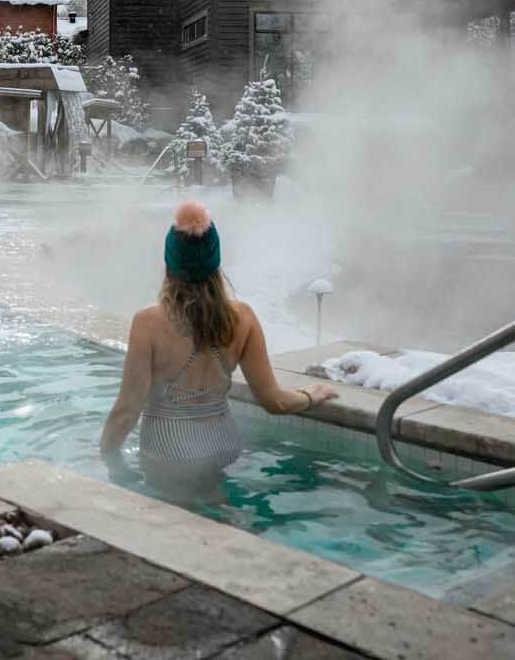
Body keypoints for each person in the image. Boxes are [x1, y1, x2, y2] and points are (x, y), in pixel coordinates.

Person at [99, 199, 338, 496]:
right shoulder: (243, 318)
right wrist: (310, 396)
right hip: (223, 444)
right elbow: (273, 402)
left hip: (168, 446)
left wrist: (104, 457)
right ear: (216, 265)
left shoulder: (148, 322)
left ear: (169, 264)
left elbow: (127, 410)